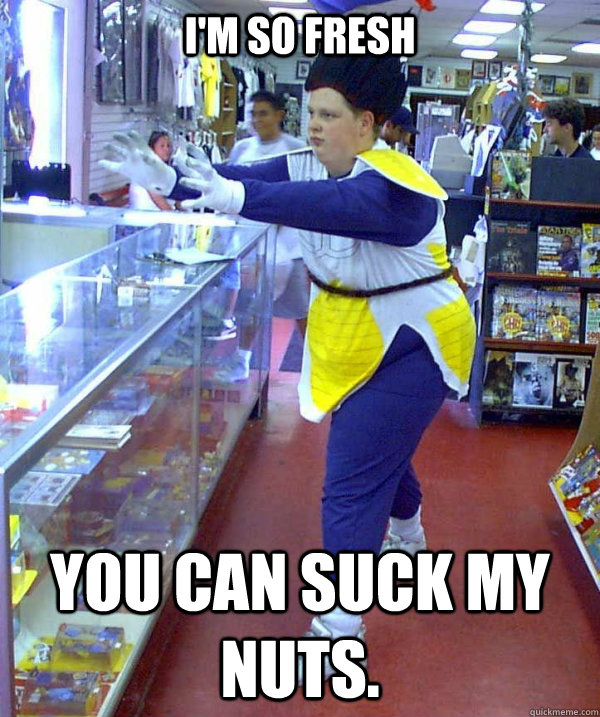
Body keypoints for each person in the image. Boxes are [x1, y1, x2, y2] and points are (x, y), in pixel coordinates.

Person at [100, 55, 476, 675]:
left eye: (329, 115)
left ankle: (339, 629)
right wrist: (170, 179)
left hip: (416, 343)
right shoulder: (309, 161)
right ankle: (409, 536)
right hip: (353, 332)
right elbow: (236, 178)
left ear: (367, 123)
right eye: (312, 113)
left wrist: (238, 195)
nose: (315, 126)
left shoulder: (401, 187)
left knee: (352, 476)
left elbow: (330, 205)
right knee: (380, 449)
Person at [214, 91, 308, 382]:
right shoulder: (243, 149)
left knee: (301, 309)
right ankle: (242, 360)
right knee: (250, 308)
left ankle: (314, 366)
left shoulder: (296, 150)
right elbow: (229, 190)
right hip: (251, 245)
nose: (257, 120)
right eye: (253, 114)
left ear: (280, 115)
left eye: (263, 113)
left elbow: (301, 199)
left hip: (289, 246)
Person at [128, 131, 176, 211]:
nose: (166, 149)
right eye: (162, 146)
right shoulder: (147, 168)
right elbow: (160, 202)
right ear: (151, 149)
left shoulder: (163, 169)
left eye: (168, 145)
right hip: (145, 216)